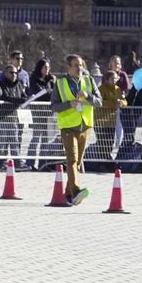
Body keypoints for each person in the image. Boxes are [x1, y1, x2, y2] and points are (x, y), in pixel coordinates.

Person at [53, 53, 102, 205]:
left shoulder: (89, 80)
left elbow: (99, 102)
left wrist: (87, 95)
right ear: (69, 67)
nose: (79, 68)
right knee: (72, 159)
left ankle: (68, 196)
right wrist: (69, 104)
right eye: (76, 65)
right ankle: (76, 190)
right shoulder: (60, 83)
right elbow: (54, 106)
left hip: (84, 125)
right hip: (68, 126)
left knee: (78, 161)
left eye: (81, 65)